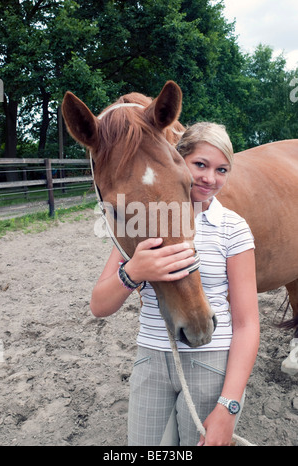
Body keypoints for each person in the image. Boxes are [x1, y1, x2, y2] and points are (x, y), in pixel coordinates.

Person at [90, 122, 259, 446]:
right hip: (151, 359)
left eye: (222, 169)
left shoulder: (232, 228)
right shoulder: (140, 218)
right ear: (176, 161)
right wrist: (134, 271)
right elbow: (99, 305)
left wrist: (229, 406)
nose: (210, 178)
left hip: (209, 360)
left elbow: (248, 323)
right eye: (200, 165)